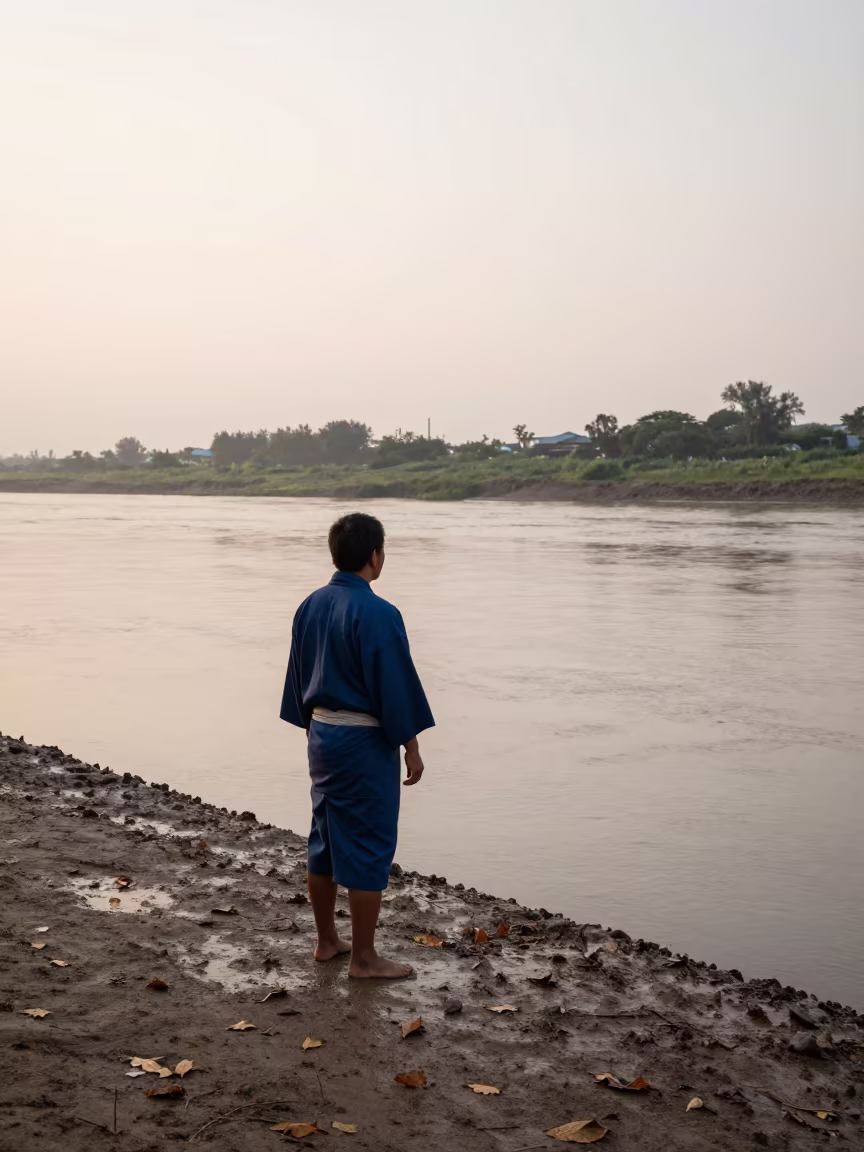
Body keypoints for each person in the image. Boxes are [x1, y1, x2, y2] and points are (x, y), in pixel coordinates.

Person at [280, 512, 434, 979]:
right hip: (363, 740)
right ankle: (364, 959)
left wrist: (314, 729)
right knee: (368, 841)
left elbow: (299, 674)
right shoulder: (380, 613)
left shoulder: (310, 604)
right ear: (375, 556)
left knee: (325, 837)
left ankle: (328, 942)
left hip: (323, 733)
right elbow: (394, 686)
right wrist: (411, 745)